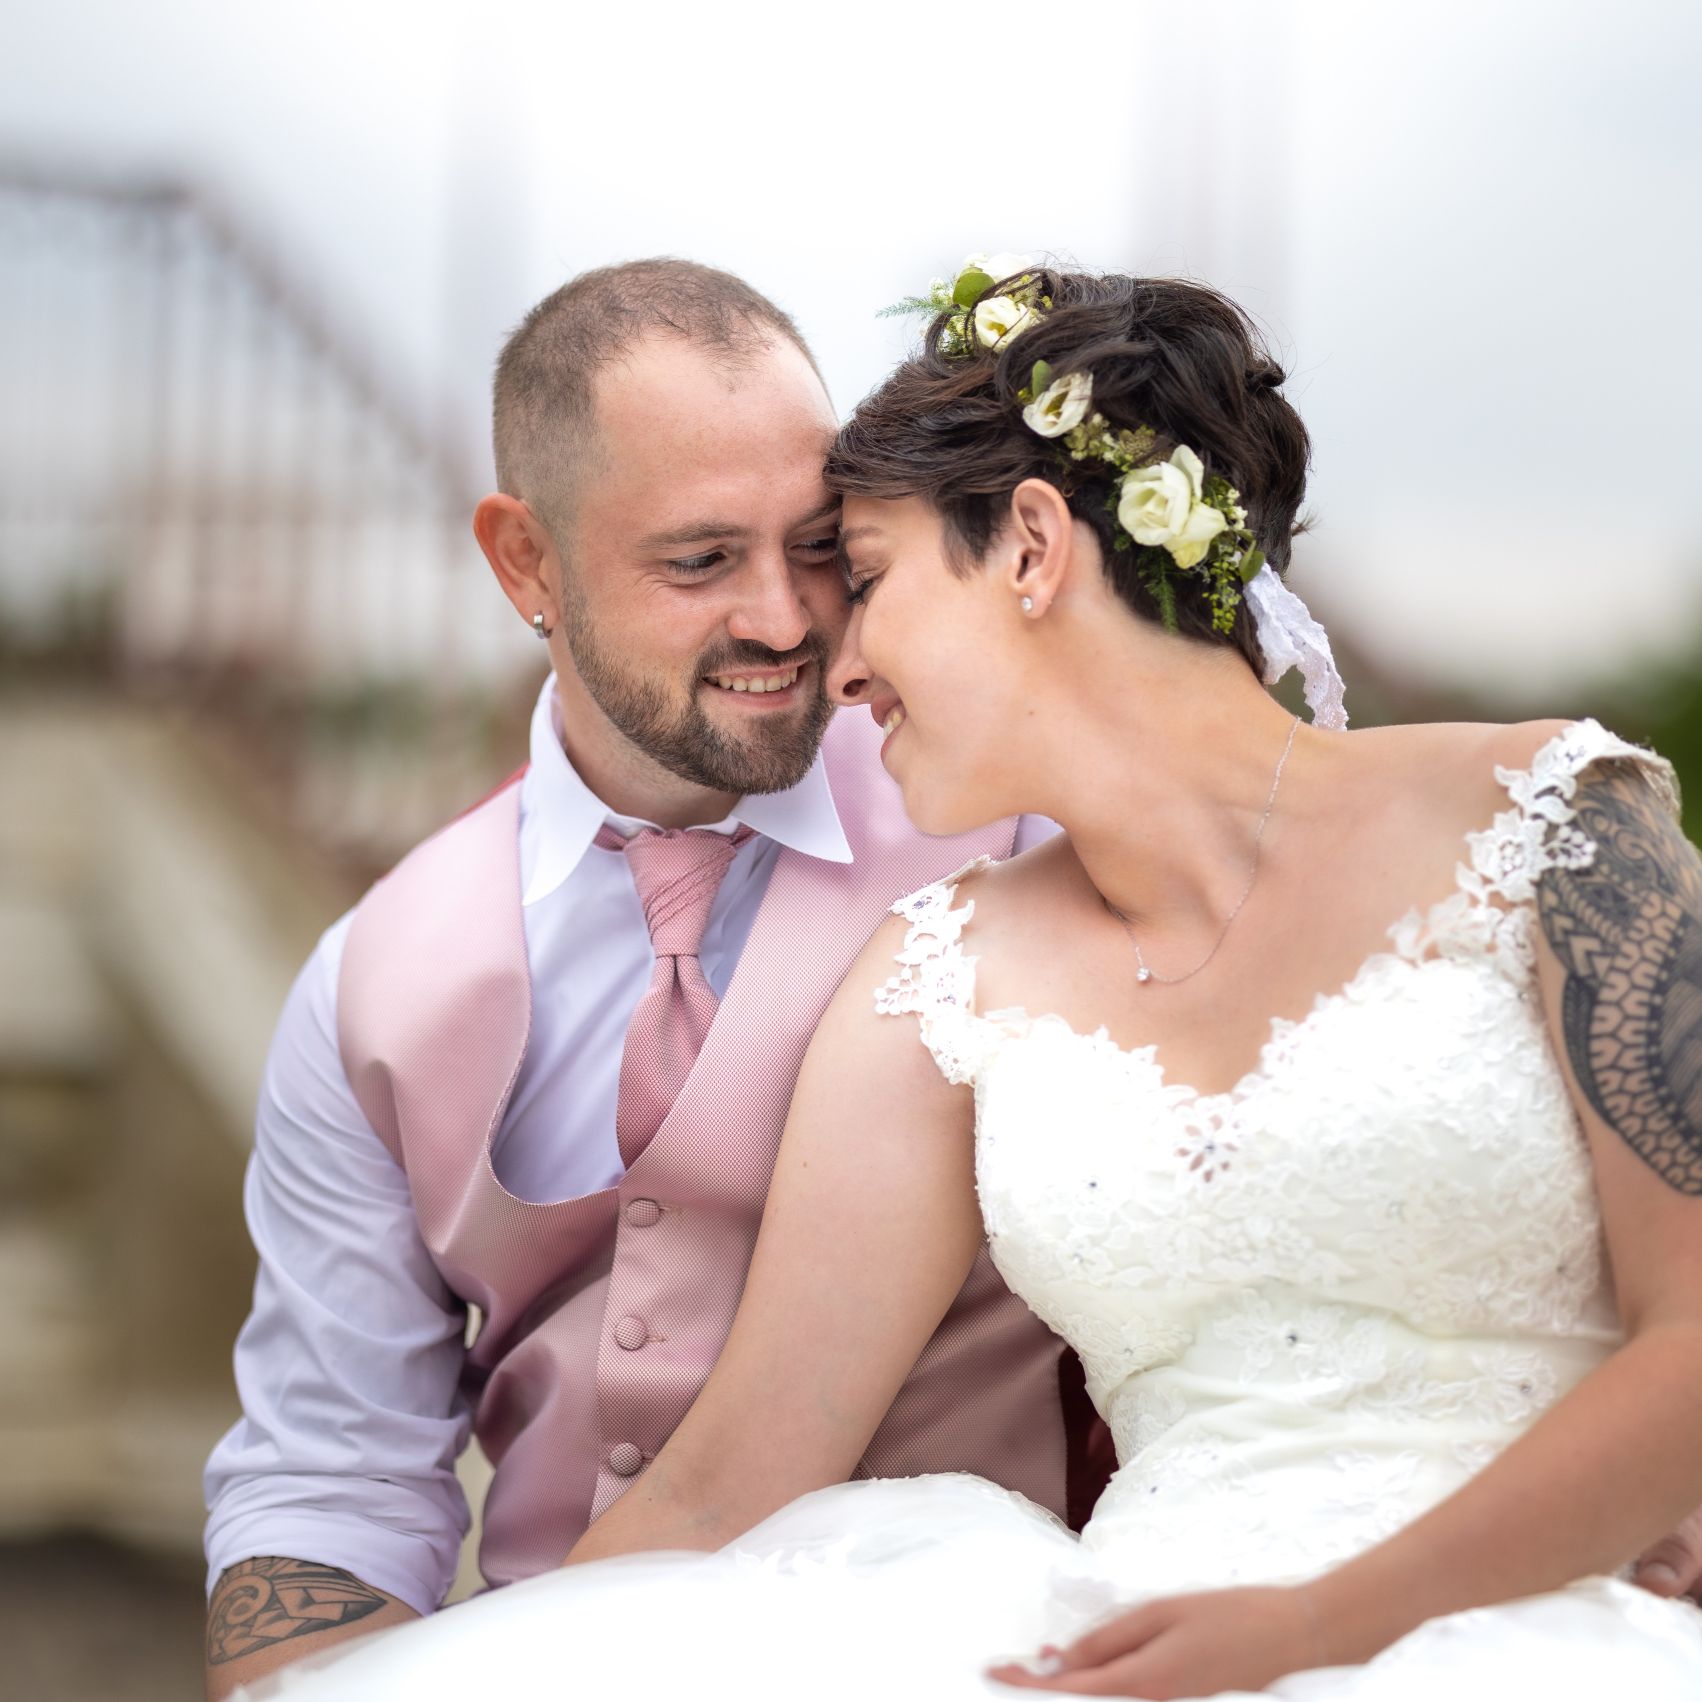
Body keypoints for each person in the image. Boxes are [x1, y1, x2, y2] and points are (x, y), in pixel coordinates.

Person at [236, 258, 1702, 1701]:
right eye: (701, 560)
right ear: (527, 564)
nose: (827, 652)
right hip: (1109, 1644)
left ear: (1034, 547)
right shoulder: (941, 970)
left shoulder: (1561, 825)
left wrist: (1323, 1626)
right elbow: (715, 1483)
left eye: (853, 571)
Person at [200, 260, 1111, 1701]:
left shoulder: (1016, 840)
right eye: (699, 563)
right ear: (526, 564)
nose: (785, 621)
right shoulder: (364, 984)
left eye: (817, 547)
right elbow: (329, 1470)